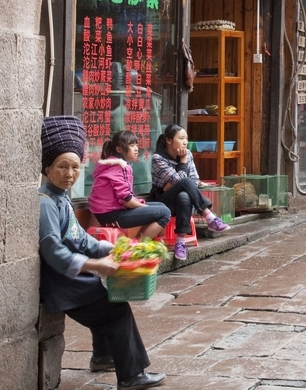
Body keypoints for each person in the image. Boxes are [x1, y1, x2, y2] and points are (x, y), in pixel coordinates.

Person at [38, 116, 166, 389]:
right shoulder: (45, 202)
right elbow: (53, 251)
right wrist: (97, 266)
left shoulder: (62, 198)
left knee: (103, 300)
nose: (70, 174)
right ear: (47, 169)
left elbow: (81, 239)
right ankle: (131, 376)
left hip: (75, 278)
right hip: (62, 285)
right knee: (116, 311)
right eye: (62, 166)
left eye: (75, 167)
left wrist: (120, 248)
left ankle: (103, 356)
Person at [150, 124, 230, 261]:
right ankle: (209, 216)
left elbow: (194, 180)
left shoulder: (188, 154)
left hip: (182, 202)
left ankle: (180, 243)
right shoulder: (158, 158)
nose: (185, 142)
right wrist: (182, 162)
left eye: (186, 138)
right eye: (181, 138)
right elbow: (182, 180)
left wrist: (172, 184)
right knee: (185, 183)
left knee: (184, 195)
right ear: (169, 140)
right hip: (163, 202)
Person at [88, 130, 171, 240]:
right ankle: (138, 246)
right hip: (111, 215)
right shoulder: (118, 166)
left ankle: (136, 243)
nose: (136, 148)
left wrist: (142, 205)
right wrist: (144, 207)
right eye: (132, 145)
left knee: (161, 206)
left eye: (136, 145)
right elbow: (126, 200)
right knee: (165, 212)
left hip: (111, 211)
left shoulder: (115, 164)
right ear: (119, 149)